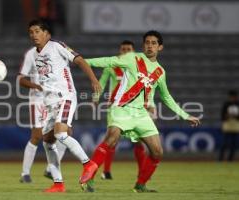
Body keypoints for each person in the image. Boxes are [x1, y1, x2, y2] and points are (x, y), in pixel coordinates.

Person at [82, 30, 200, 192]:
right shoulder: (133, 58)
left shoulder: (160, 72)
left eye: (154, 43)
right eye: (147, 43)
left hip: (141, 113)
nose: (150, 46)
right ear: (143, 45)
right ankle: (89, 177)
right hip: (122, 108)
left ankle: (140, 185)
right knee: (111, 138)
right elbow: (108, 61)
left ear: (160, 47)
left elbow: (167, 98)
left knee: (157, 152)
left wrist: (185, 115)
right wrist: (81, 61)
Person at [18, 19, 101, 193]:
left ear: (47, 33)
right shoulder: (33, 54)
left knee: (61, 134)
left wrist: (94, 80)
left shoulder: (57, 46)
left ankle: (89, 164)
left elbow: (79, 60)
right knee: (47, 141)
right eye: (31, 32)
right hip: (49, 104)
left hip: (65, 97)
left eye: (37, 31)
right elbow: (22, 79)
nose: (34, 35)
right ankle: (58, 183)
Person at [96, 40, 152, 180]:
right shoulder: (112, 66)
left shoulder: (140, 68)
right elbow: (102, 82)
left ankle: (141, 173)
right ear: (120, 51)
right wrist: (96, 97)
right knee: (112, 140)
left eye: (129, 49)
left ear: (133, 51)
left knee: (138, 141)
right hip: (115, 108)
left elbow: (147, 87)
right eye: (123, 49)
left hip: (133, 109)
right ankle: (106, 172)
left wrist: (150, 104)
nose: (126, 51)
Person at [218, 90, 239, 161]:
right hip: (227, 126)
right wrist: (227, 116)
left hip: (236, 127)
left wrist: (235, 116)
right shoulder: (226, 104)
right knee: (224, 144)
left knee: (234, 144)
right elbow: (222, 117)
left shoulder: (238, 104)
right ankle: (220, 159)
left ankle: (230, 159)